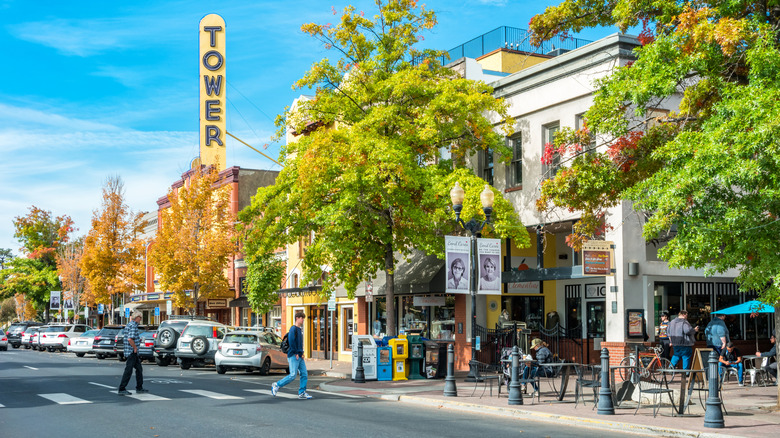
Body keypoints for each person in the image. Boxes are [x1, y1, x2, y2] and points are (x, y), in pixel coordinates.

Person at [272, 311, 312, 399]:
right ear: (297, 318)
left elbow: (299, 343)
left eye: (303, 318)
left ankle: (302, 392)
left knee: (304, 374)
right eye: (302, 318)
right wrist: (296, 353)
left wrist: (301, 353)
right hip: (294, 355)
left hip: (299, 355)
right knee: (293, 375)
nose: (303, 320)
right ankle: (277, 385)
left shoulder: (299, 329)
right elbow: (291, 341)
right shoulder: (293, 329)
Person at [118, 311, 147, 395]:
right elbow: (130, 338)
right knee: (128, 370)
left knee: (139, 369)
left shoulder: (129, 325)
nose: (140, 319)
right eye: (140, 318)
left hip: (131, 351)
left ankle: (139, 387)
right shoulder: (133, 326)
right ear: (137, 317)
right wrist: (135, 348)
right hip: (132, 351)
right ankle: (122, 388)